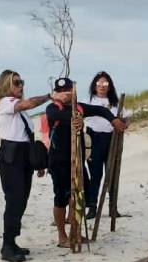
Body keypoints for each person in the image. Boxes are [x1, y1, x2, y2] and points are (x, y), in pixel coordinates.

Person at [0, 70, 70, 262]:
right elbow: (29, 103)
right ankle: (7, 245)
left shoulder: (20, 110)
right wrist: (50, 96)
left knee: (22, 200)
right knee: (14, 200)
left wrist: (36, 161)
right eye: (16, 82)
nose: (20, 86)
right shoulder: (5, 103)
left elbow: (27, 134)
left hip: (23, 154)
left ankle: (12, 241)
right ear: (5, 85)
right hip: (11, 155)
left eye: (21, 82)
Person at [46, 77, 126, 246]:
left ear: (73, 91)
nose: (65, 94)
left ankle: (76, 232)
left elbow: (100, 110)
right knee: (60, 198)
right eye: (61, 92)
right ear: (56, 94)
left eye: (68, 91)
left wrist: (113, 120)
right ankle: (62, 236)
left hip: (78, 160)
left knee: (80, 195)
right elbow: (59, 116)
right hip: (59, 161)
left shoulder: (80, 107)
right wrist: (77, 118)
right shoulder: (52, 108)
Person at [83, 70, 130, 219]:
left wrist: (124, 124)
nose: (102, 85)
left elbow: (127, 118)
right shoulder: (89, 101)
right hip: (93, 138)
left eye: (105, 83)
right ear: (94, 85)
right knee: (95, 174)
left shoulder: (115, 102)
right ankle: (92, 207)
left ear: (109, 86)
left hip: (111, 139)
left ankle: (112, 207)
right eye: (99, 83)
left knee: (112, 174)